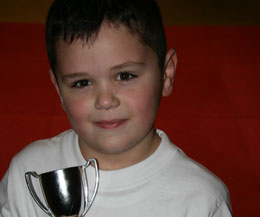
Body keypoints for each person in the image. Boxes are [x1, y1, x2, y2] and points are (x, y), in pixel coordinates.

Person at [0, 0, 233, 216]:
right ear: (59, 89)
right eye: (82, 83)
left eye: (125, 75)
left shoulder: (201, 200)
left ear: (166, 75)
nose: (104, 100)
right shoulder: (30, 173)